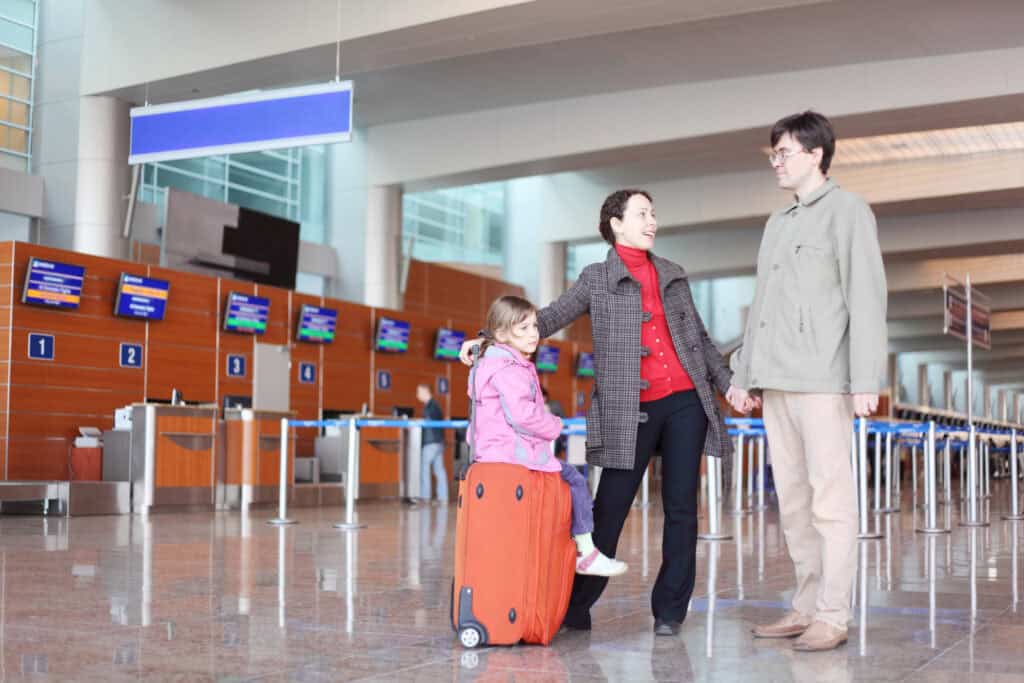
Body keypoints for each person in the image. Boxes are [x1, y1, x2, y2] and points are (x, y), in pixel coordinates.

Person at [461, 190, 738, 636]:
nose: (652, 221)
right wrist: (489, 340)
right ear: (616, 223)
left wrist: (729, 384)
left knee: (683, 508)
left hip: (687, 400)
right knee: (608, 507)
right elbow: (547, 318)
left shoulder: (672, 274)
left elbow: (701, 340)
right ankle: (575, 606)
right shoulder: (596, 278)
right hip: (630, 408)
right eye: (642, 214)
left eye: (653, 213)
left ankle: (670, 611)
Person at [729, 111, 888, 652]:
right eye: (772, 154)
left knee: (830, 502)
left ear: (816, 154)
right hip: (776, 382)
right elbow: (762, 308)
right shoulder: (779, 224)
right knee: (793, 503)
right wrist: (744, 375)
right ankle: (804, 605)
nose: (776, 162)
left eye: (785, 153)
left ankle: (833, 614)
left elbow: (866, 298)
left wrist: (866, 378)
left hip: (823, 381)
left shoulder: (848, 212)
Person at [469, 295, 627, 577]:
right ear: (503, 334)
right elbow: (523, 415)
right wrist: (554, 425)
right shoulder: (510, 369)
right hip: (516, 455)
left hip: (493, 453)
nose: (533, 334)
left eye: (533, 326)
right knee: (575, 481)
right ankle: (586, 552)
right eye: (523, 328)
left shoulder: (488, 364)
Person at [416, 383, 448, 505]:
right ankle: (443, 498)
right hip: (439, 442)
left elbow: (429, 422)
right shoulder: (434, 405)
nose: (417, 395)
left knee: (424, 468)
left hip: (430, 443)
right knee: (439, 470)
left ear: (425, 391)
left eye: (419, 392)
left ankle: (425, 497)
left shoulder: (430, 406)